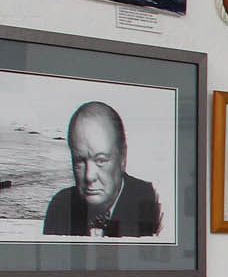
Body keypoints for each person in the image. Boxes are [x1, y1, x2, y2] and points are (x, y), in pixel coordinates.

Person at [43, 101, 162, 237]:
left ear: (122, 157)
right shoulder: (60, 207)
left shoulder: (152, 203)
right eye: (80, 161)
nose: (89, 176)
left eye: (100, 160)